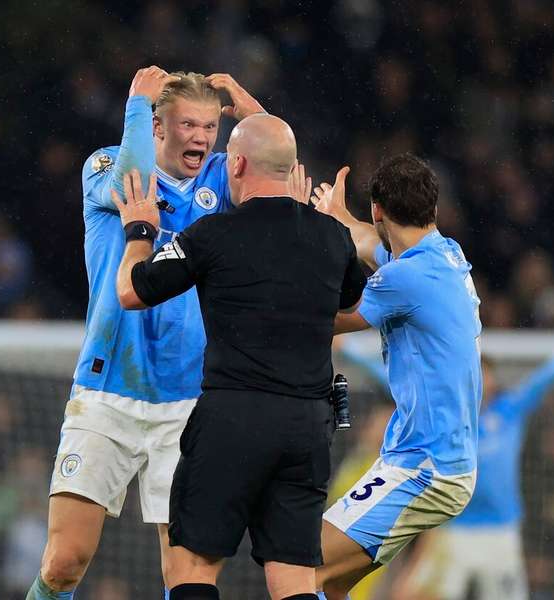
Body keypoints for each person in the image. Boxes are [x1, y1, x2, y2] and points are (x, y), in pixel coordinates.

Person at [28, 67, 265, 600]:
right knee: (65, 561)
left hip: (188, 396)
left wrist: (252, 111)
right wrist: (135, 105)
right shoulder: (106, 164)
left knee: (185, 574)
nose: (203, 137)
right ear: (157, 126)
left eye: (210, 126)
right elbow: (134, 186)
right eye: (188, 125)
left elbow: (281, 174)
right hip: (107, 387)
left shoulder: (224, 177)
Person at [113, 113, 367, 600]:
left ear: (237, 163)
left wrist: (140, 230)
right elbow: (356, 307)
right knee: (293, 578)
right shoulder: (333, 238)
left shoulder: (213, 234)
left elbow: (131, 291)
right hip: (307, 426)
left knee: (192, 566)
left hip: (233, 418)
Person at [311, 154, 482, 600]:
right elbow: (371, 243)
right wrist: (338, 216)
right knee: (328, 584)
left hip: (426, 466)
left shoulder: (406, 278)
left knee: (302, 570)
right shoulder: (444, 253)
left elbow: (322, 318)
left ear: (379, 209)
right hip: (426, 459)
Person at [389, 288, 554, 600]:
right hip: (456, 529)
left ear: (494, 381)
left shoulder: (510, 411)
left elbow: (551, 374)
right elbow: (387, 377)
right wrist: (346, 348)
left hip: (502, 531)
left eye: (484, 375)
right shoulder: (447, 417)